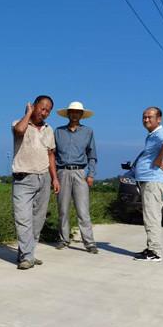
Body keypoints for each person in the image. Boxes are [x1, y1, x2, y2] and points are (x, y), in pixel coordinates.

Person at [11, 96, 60, 270]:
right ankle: (27, 257)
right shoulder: (19, 123)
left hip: (44, 177)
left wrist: (54, 178)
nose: (44, 113)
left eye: (48, 110)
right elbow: (19, 131)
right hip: (23, 179)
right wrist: (29, 113)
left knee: (37, 220)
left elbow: (51, 155)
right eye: (41, 108)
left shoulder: (48, 129)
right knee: (23, 219)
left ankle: (28, 253)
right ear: (34, 106)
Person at [54, 101, 98, 254]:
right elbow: (51, 154)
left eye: (77, 112)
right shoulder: (58, 132)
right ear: (68, 114)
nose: (74, 114)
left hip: (80, 172)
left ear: (81, 115)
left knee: (83, 210)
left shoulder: (88, 132)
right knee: (63, 209)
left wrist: (91, 174)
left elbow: (92, 155)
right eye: (71, 112)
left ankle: (89, 242)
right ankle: (63, 239)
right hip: (62, 172)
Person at [131, 107, 163, 262]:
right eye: (144, 117)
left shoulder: (161, 133)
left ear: (159, 119)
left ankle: (155, 252)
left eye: (150, 117)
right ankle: (151, 248)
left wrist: (158, 159)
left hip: (154, 180)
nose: (146, 120)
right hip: (149, 180)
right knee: (150, 215)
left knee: (152, 216)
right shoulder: (153, 135)